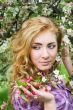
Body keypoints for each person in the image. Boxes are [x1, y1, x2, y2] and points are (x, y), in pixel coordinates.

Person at [11, 16, 73, 110]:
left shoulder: (51, 76)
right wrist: (49, 102)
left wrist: (67, 60)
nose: (45, 55)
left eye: (51, 46)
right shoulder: (25, 92)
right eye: (36, 47)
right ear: (26, 50)